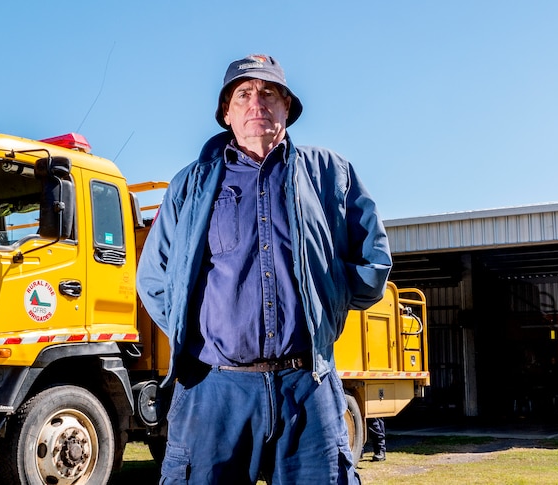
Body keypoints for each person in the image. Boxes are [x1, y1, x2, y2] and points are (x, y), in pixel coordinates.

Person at [136, 53, 392, 484]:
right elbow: (155, 279)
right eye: (244, 94)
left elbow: (373, 262)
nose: (258, 103)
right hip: (214, 390)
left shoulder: (331, 174)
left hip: (307, 386)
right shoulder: (189, 185)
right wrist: (199, 333)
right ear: (226, 112)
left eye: (270, 93)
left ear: (287, 107)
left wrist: (327, 297)